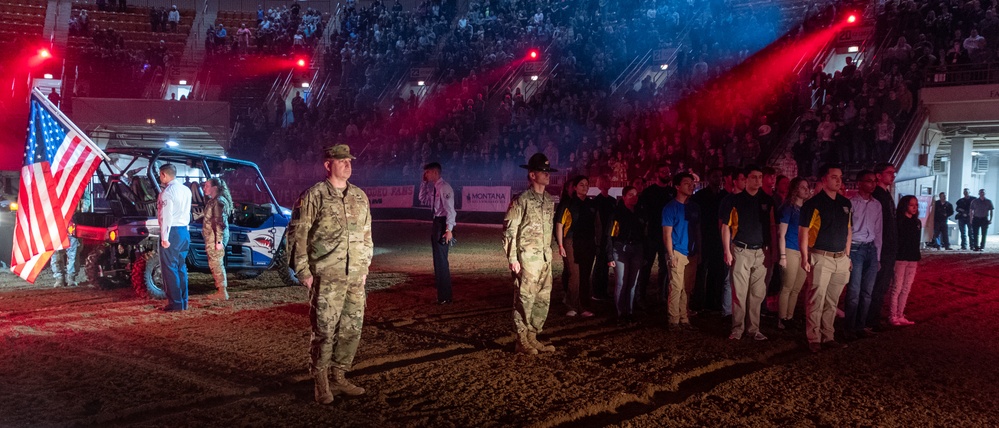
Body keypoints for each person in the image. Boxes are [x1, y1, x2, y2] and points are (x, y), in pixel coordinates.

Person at [287, 144, 373, 404]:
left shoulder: (360, 196)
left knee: (351, 328)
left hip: (355, 276)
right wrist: (303, 270)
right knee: (324, 330)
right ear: (328, 165)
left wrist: (365, 266)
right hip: (327, 276)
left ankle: (340, 374)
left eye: (349, 160)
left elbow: (367, 234)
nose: (348, 164)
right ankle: (321, 380)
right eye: (341, 160)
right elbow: (297, 234)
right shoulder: (314, 196)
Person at [503, 153, 558, 355]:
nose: (547, 175)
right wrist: (513, 259)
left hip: (544, 259)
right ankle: (521, 340)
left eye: (547, 172)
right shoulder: (521, 200)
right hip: (527, 260)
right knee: (524, 299)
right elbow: (510, 231)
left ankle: (532, 336)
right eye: (543, 172)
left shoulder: (549, 200)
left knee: (542, 299)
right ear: (532, 175)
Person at [799, 164, 852, 353]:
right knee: (816, 299)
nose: (838, 180)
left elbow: (848, 230)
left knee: (832, 301)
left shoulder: (845, 203)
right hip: (821, 256)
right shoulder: (813, 204)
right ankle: (814, 338)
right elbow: (804, 231)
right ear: (824, 179)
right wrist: (805, 257)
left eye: (840, 177)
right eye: (834, 177)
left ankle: (828, 335)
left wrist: (847, 255)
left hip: (840, 258)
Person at [720, 165, 774, 341]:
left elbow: (773, 227)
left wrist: (772, 250)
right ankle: (737, 328)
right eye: (754, 177)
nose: (758, 180)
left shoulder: (767, 200)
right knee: (740, 293)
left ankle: (753, 329)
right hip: (741, 250)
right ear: (746, 179)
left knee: (757, 293)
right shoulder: (735, 201)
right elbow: (725, 227)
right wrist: (727, 250)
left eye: (760, 177)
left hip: (760, 252)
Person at [843, 170, 883, 341]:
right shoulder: (851, 203)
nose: (873, 184)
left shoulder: (877, 205)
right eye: (869, 181)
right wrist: (847, 254)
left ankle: (860, 325)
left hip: (870, 248)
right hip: (855, 248)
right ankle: (849, 327)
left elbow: (878, 231)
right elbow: (847, 230)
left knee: (867, 291)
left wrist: (878, 256)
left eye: (874, 181)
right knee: (854, 290)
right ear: (859, 183)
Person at [555, 175, 600, 317]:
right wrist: (561, 245)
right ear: (574, 187)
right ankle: (572, 305)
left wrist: (597, 243)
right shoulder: (567, 204)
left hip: (588, 243)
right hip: (571, 242)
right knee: (575, 275)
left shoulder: (592, 204)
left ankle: (584, 306)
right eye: (581, 185)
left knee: (586, 275)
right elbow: (559, 224)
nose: (585, 187)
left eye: (587, 185)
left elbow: (598, 225)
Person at [662, 173, 700, 330]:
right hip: (677, 251)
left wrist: (699, 251)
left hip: (691, 252)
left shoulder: (694, 207)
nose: (691, 186)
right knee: (676, 286)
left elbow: (697, 231)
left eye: (692, 183)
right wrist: (670, 255)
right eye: (686, 183)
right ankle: (673, 319)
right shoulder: (670, 208)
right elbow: (667, 234)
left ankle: (684, 318)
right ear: (677, 187)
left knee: (687, 287)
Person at [637, 164, 676, 310]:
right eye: (663, 171)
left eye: (668, 171)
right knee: (646, 267)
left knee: (665, 268)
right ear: (657, 174)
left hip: (667, 236)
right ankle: (641, 296)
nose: (666, 173)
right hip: (652, 235)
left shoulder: (673, 192)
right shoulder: (649, 192)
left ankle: (662, 295)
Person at [157, 163, 192, 312]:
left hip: (173, 232)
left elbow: (167, 217)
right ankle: (183, 301)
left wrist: (164, 237)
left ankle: (175, 303)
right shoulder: (186, 190)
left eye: (160, 175)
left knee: (169, 268)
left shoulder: (167, 192)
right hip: (184, 231)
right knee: (181, 267)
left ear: (164, 174)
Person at [607, 186, 645, 325]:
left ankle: (629, 312)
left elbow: (644, 234)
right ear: (623, 197)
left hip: (637, 248)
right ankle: (620, 313)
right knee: (621, 282)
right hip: (620, 248)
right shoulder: (617, 213)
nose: (634, 197)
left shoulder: (640, 213)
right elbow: (610, 235)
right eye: (630, 195)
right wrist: (610, 256)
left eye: (636, 195)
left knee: (633, 282)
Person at [419, 162, 455, 304]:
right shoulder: (435, 187)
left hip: (442, 224)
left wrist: (448, 230)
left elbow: (450, 211)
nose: (425, 175)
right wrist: (423, 184)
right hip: (437, 224)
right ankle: (442, 295)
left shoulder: (444, 187)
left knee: (441, 261)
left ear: (434, 172)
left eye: (427, 172)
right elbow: (423, 199)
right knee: (438, 261)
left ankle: (445, 295)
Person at [867, 163, 898, 331]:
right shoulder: (879, 196)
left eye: (893, 173)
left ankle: (873, 318)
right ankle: (871, 320)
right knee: (878, 285)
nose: (893, 176)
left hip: (887, 246)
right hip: (883, 247)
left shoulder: (885, 195)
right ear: (879, 175)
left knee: (882, 284)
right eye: (889, 173)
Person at [777, 177, 809, 330]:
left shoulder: (806, 209)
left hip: (803, 251)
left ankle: (790, 316)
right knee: (787, 286)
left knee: (796, 288)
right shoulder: (788, 208)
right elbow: (781, 233)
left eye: (807, 186)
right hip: (790, 248)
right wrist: (782, 255)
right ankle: (782, 318)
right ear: (795, 189)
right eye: (802, 186)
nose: (805, 189)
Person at [889, 195, 921, 326]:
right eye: (911, 205)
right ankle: (893, 316)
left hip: (913, 258)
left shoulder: (917, 222)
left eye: (916, 205)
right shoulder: (898, 222)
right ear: (905, 206)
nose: (914, 207)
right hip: (900, 258)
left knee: (906, 288)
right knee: (897, 287)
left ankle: (901, 314)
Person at [202, 177, 233, 300]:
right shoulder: (214, 201)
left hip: (215, 237)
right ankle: (221, 290)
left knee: (216, 263)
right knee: (215, 263)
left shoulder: (218, 202)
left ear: (214, 188)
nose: (204, 188)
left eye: (207, 186)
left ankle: (222, 291)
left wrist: (218, 241)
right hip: (213, 237)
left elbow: (220, 222)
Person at [590, 175, 616, 301]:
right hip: (600, 237)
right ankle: (596, 291)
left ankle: (603, 291)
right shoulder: (597, 201)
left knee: (605, 265)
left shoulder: (612, 200)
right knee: (600, 265)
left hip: (609, 235)